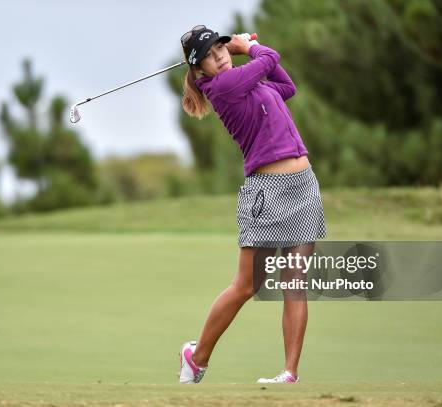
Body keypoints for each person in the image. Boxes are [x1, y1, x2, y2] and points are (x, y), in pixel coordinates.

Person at [177, 25, 327, 384]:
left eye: (222, 49)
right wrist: (249, 46)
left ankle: (289, 373)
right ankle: (196, 358)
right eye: (212, 56)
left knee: (294, 281)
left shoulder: (250, 84)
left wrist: (250, 50)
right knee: (247, 285)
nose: (221, 57)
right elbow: (270, 58)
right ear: (200, 72)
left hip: (303, 185)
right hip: (267, 191)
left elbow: (287, 87)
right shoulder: (224, 87)